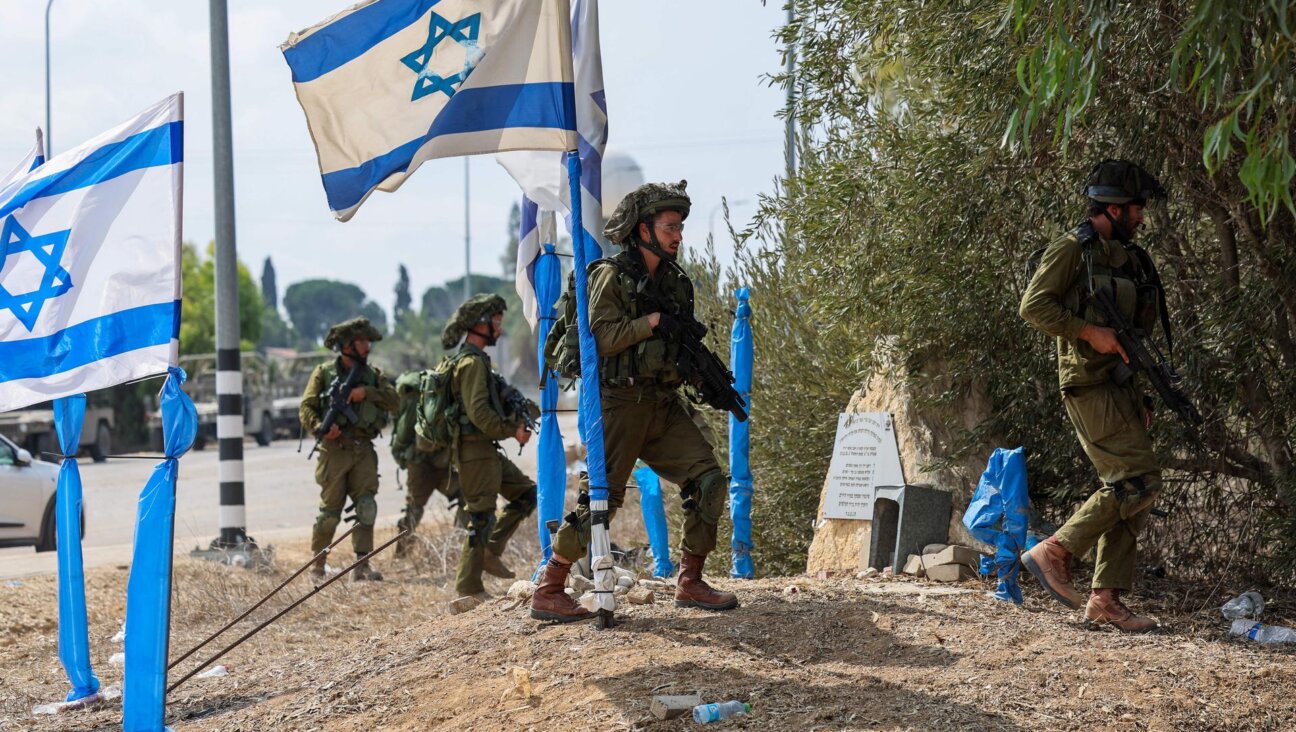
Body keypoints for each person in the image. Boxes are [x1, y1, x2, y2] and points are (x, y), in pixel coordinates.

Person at [530, 180, 738, 623]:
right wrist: (652, 321)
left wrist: (700, 376)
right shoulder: (609, 275)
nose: (677, 235)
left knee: (709, 480)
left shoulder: (675, 284)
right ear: (642, 229)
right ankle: (550, 588)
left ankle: (690, 581)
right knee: (600, 503)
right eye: (669, 227)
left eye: (680, 227)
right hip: (618, 403)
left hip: (661, 404)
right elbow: (599, 337)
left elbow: (676, 347)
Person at [1019, 159, 1171, 632]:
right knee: (1136, 481)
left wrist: (1143, 394)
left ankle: (1105, 598)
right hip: (1087, 383)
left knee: (1136, 490)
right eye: (1136, 210)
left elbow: (1134, 336)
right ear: (1113, 208)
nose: (1142, 219)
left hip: (1120, 387)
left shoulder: (1128, 258)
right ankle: (1056, 550)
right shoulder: (1072, 249)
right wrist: (1087, 331)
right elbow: (1034, 305)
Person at [442, 294, 539, 602]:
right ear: (478, 326)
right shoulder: (470, 364)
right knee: (481, 516)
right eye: (495, 322)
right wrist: (512, 431)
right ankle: (468, 588)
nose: (500, 328)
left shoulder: (480, 360)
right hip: (474, 452)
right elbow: (479, 414)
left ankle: (490, 550)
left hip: (485, 450)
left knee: (527, 494)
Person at [299, 317, 400, 581]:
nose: (367, 347)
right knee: (329, 513)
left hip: (363, 450)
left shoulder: (372, 376)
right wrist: (321, 426)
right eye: (361, 342)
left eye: (368, 341)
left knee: (366, 507)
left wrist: (365, 393)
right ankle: (318, 565)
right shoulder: (323, 373)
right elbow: (306, 407)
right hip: (334, 450)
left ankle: (362, 565)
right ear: (346, 345)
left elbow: (394, 400)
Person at [391, 370, 466, 557]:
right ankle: (402, 554)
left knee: (466, 498)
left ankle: (458, 545)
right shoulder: (425, 399)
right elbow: (404, 431)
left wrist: (401, 456)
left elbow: (401, 436)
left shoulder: (427, 400)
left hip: (432, 465)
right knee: (415, 509)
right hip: (429, 464)